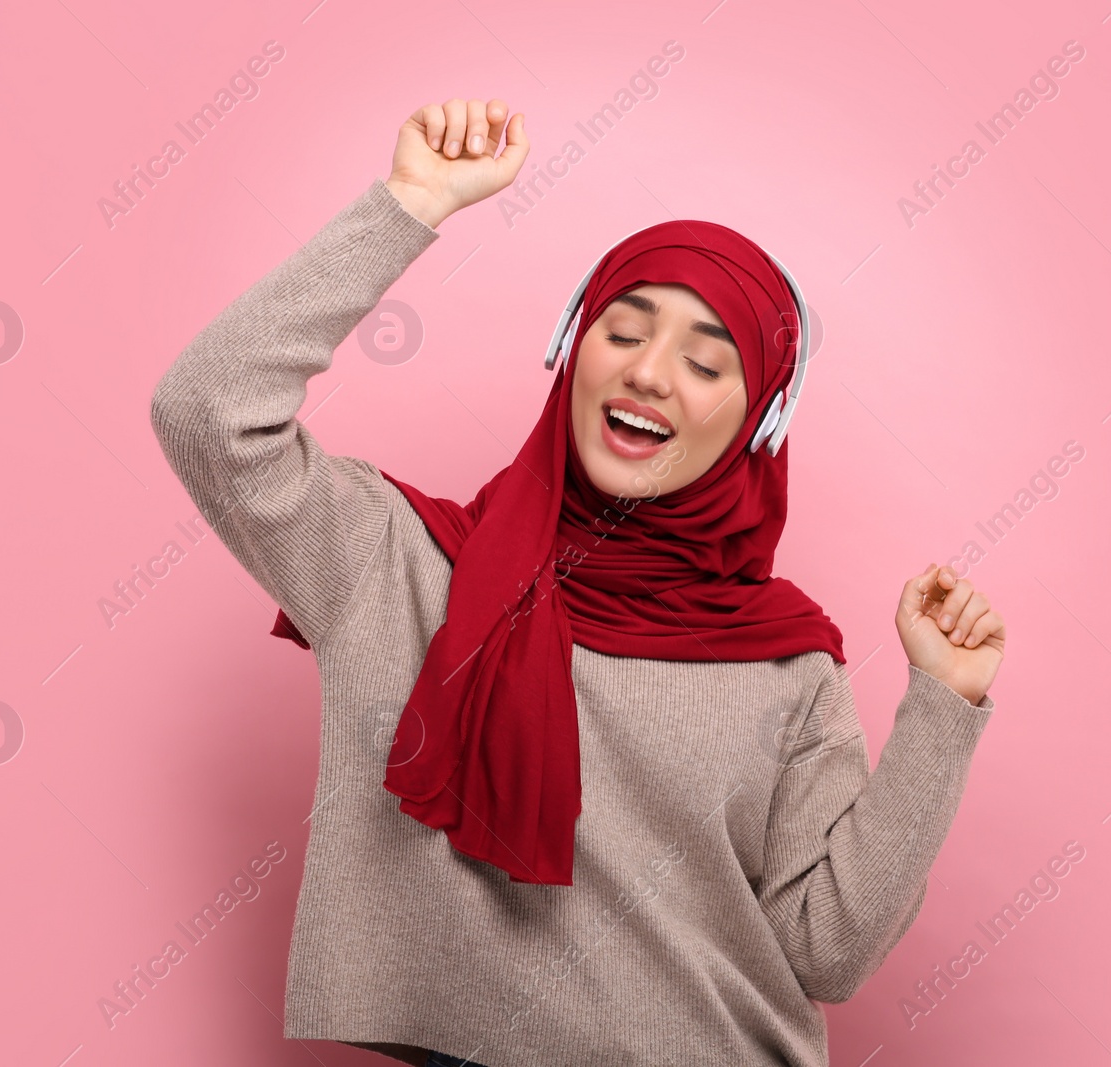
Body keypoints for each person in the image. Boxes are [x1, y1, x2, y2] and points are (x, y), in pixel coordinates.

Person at [150, 97, 1006, 1067]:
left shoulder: (784, 661)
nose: (648, 372)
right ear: (570, 352)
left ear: (758, 418)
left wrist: (943, 706)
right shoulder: (400, 562)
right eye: (622, 329)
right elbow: (206, 410)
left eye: (706, 361)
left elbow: (830, 949)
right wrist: (409, 204)